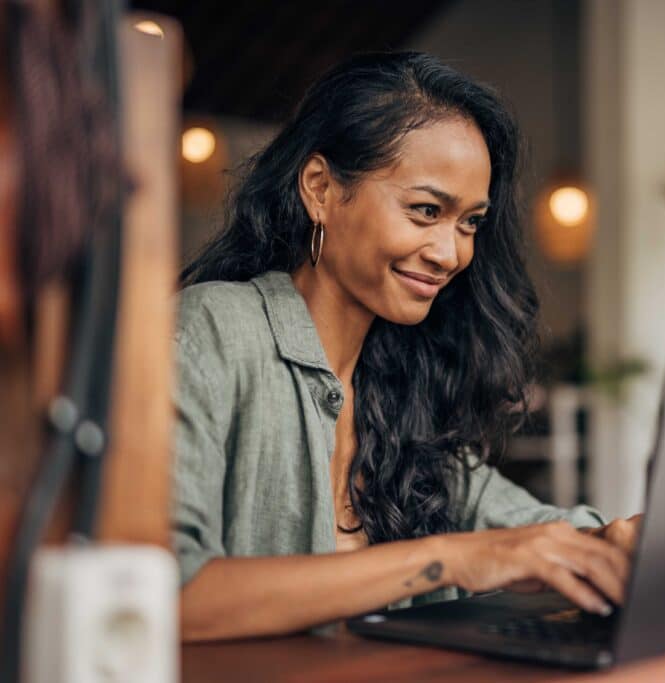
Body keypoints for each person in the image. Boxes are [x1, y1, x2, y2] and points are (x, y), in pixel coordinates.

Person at [174, 52, 641, 642]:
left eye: (469, 223)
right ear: (320, 188)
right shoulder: (211, 332)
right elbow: (167, 594)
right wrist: (454, 558)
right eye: (426, 210)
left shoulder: (399, 384)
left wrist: (612, 541)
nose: (451, 254)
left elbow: (522, 529)